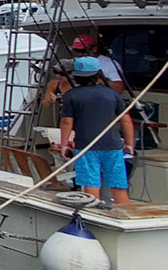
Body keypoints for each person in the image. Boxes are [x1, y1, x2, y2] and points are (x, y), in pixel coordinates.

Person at [57, 56, 135, 207]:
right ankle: (126, 212)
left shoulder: (71, 95)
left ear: (76, 76)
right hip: (113, 145)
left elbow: (67, 121)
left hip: (86, 146)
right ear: (98, 75)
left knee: (90, 182)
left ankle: (93, 213)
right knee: (118, 183)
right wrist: (129, 143)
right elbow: (126, 120)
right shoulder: (113, 94)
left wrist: (64, 144)